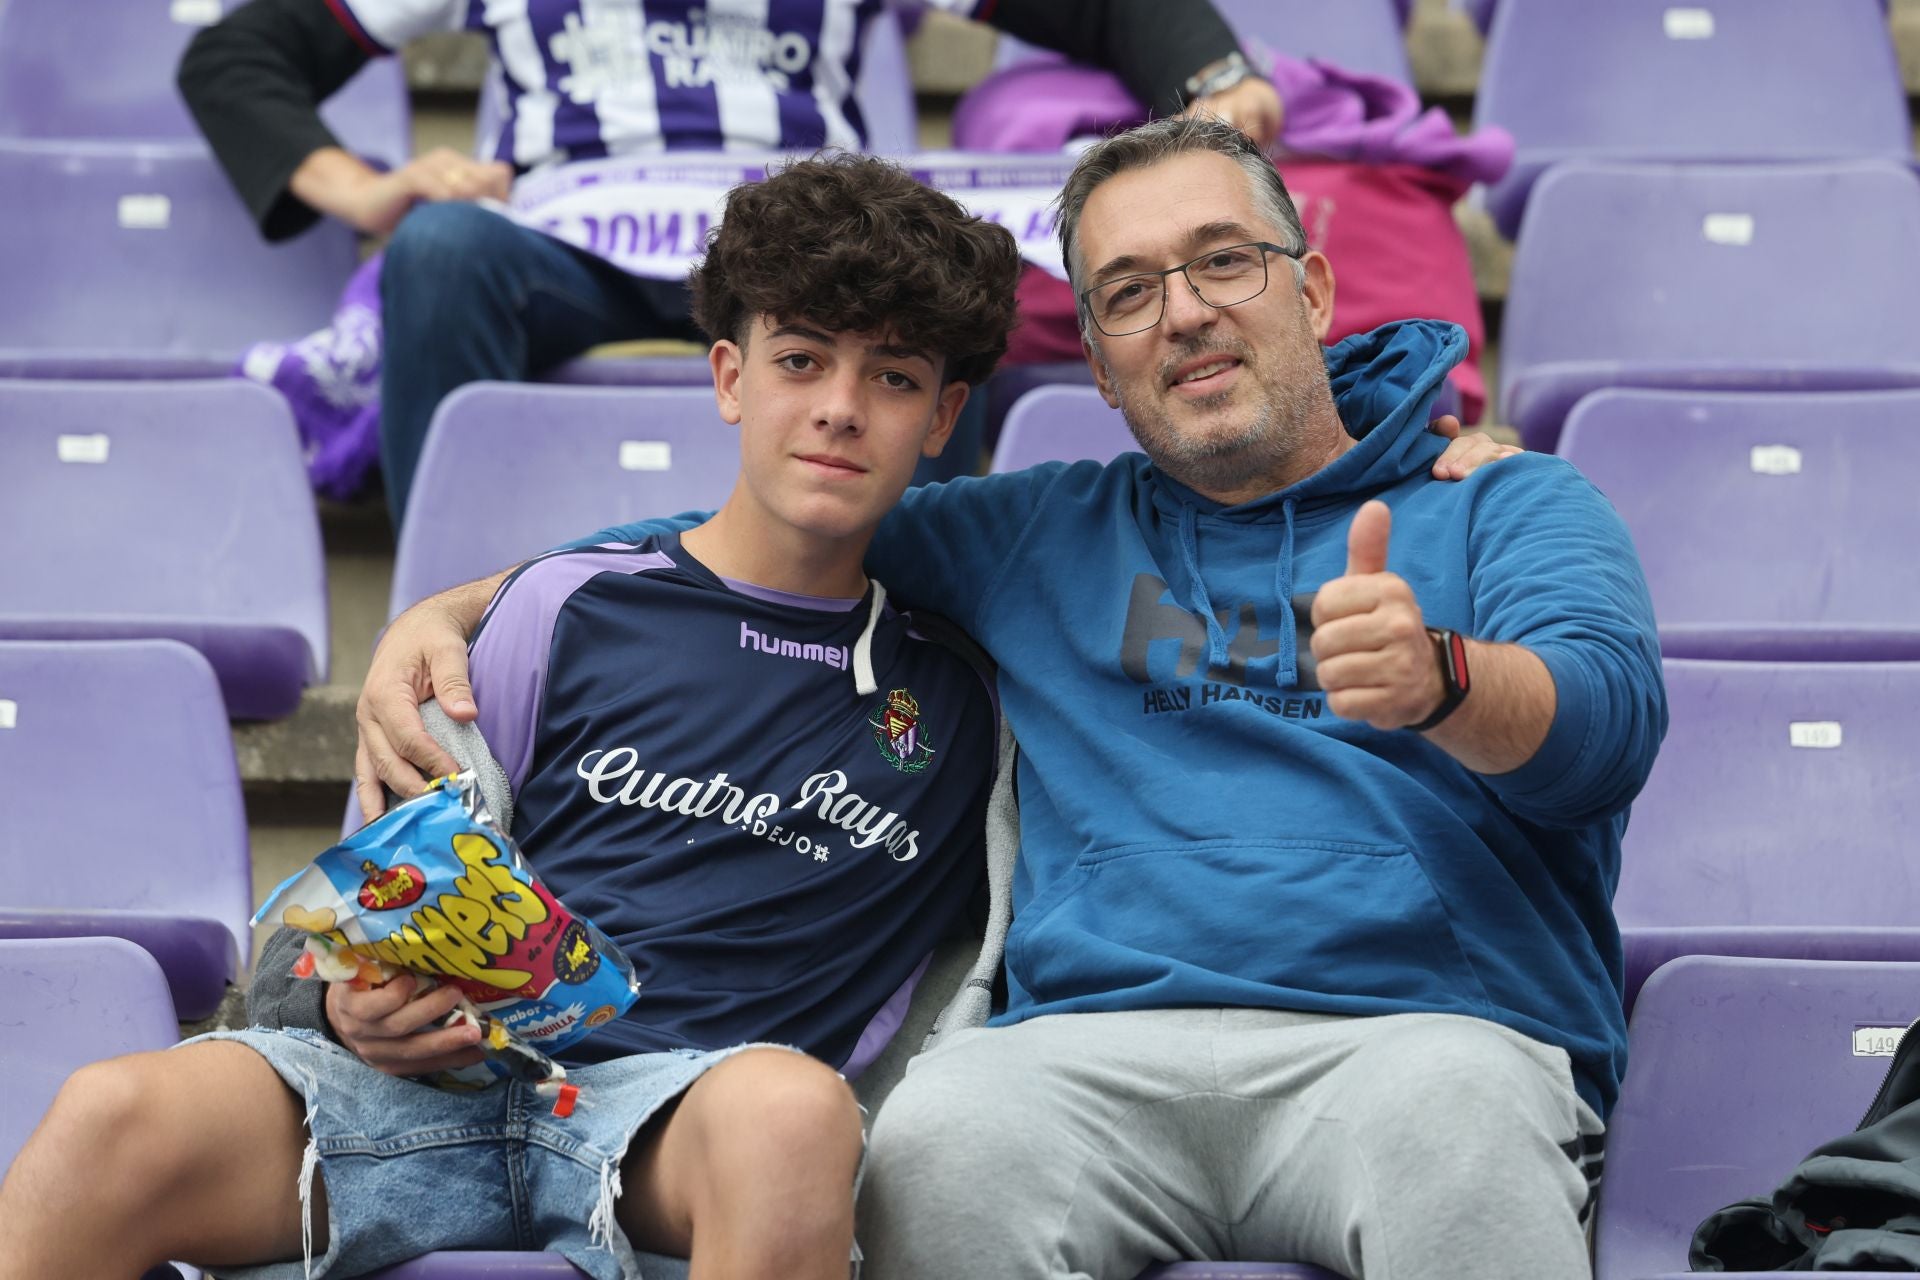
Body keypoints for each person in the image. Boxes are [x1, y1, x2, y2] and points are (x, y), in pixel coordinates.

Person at [345, 116, 1666, 1279]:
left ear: (1312, 288)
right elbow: (744, 538)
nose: (1187, 311)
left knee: (1459, 1134)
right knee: (941, 1142)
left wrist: (1443, 681)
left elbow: (1603, 735)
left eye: (1222, 262)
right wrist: (448, 610)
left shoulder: (1506, 503)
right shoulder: (1033, 532)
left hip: (1428, 1039)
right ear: (1096, 365)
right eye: (1130, 292)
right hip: (1088, 1057)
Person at [0, 154, 1020, 1280]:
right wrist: (346, 1009)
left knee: (790, 1111)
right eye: (800, 359)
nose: (838, 405)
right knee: (105, 1114)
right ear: (730, 376)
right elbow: (340, 908)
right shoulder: (565, 603)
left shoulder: (970, 704)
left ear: (944, 416)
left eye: (891, 377)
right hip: (426, 1088)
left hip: (673, 1126)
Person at [178, 0, 1284, 523]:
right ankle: (454, 588)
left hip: (804, 246)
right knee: (439, 246)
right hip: (570, 238)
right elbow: (238, 52)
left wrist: (1213, 76)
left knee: (945, 267)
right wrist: (367, 189)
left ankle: (917, 620)